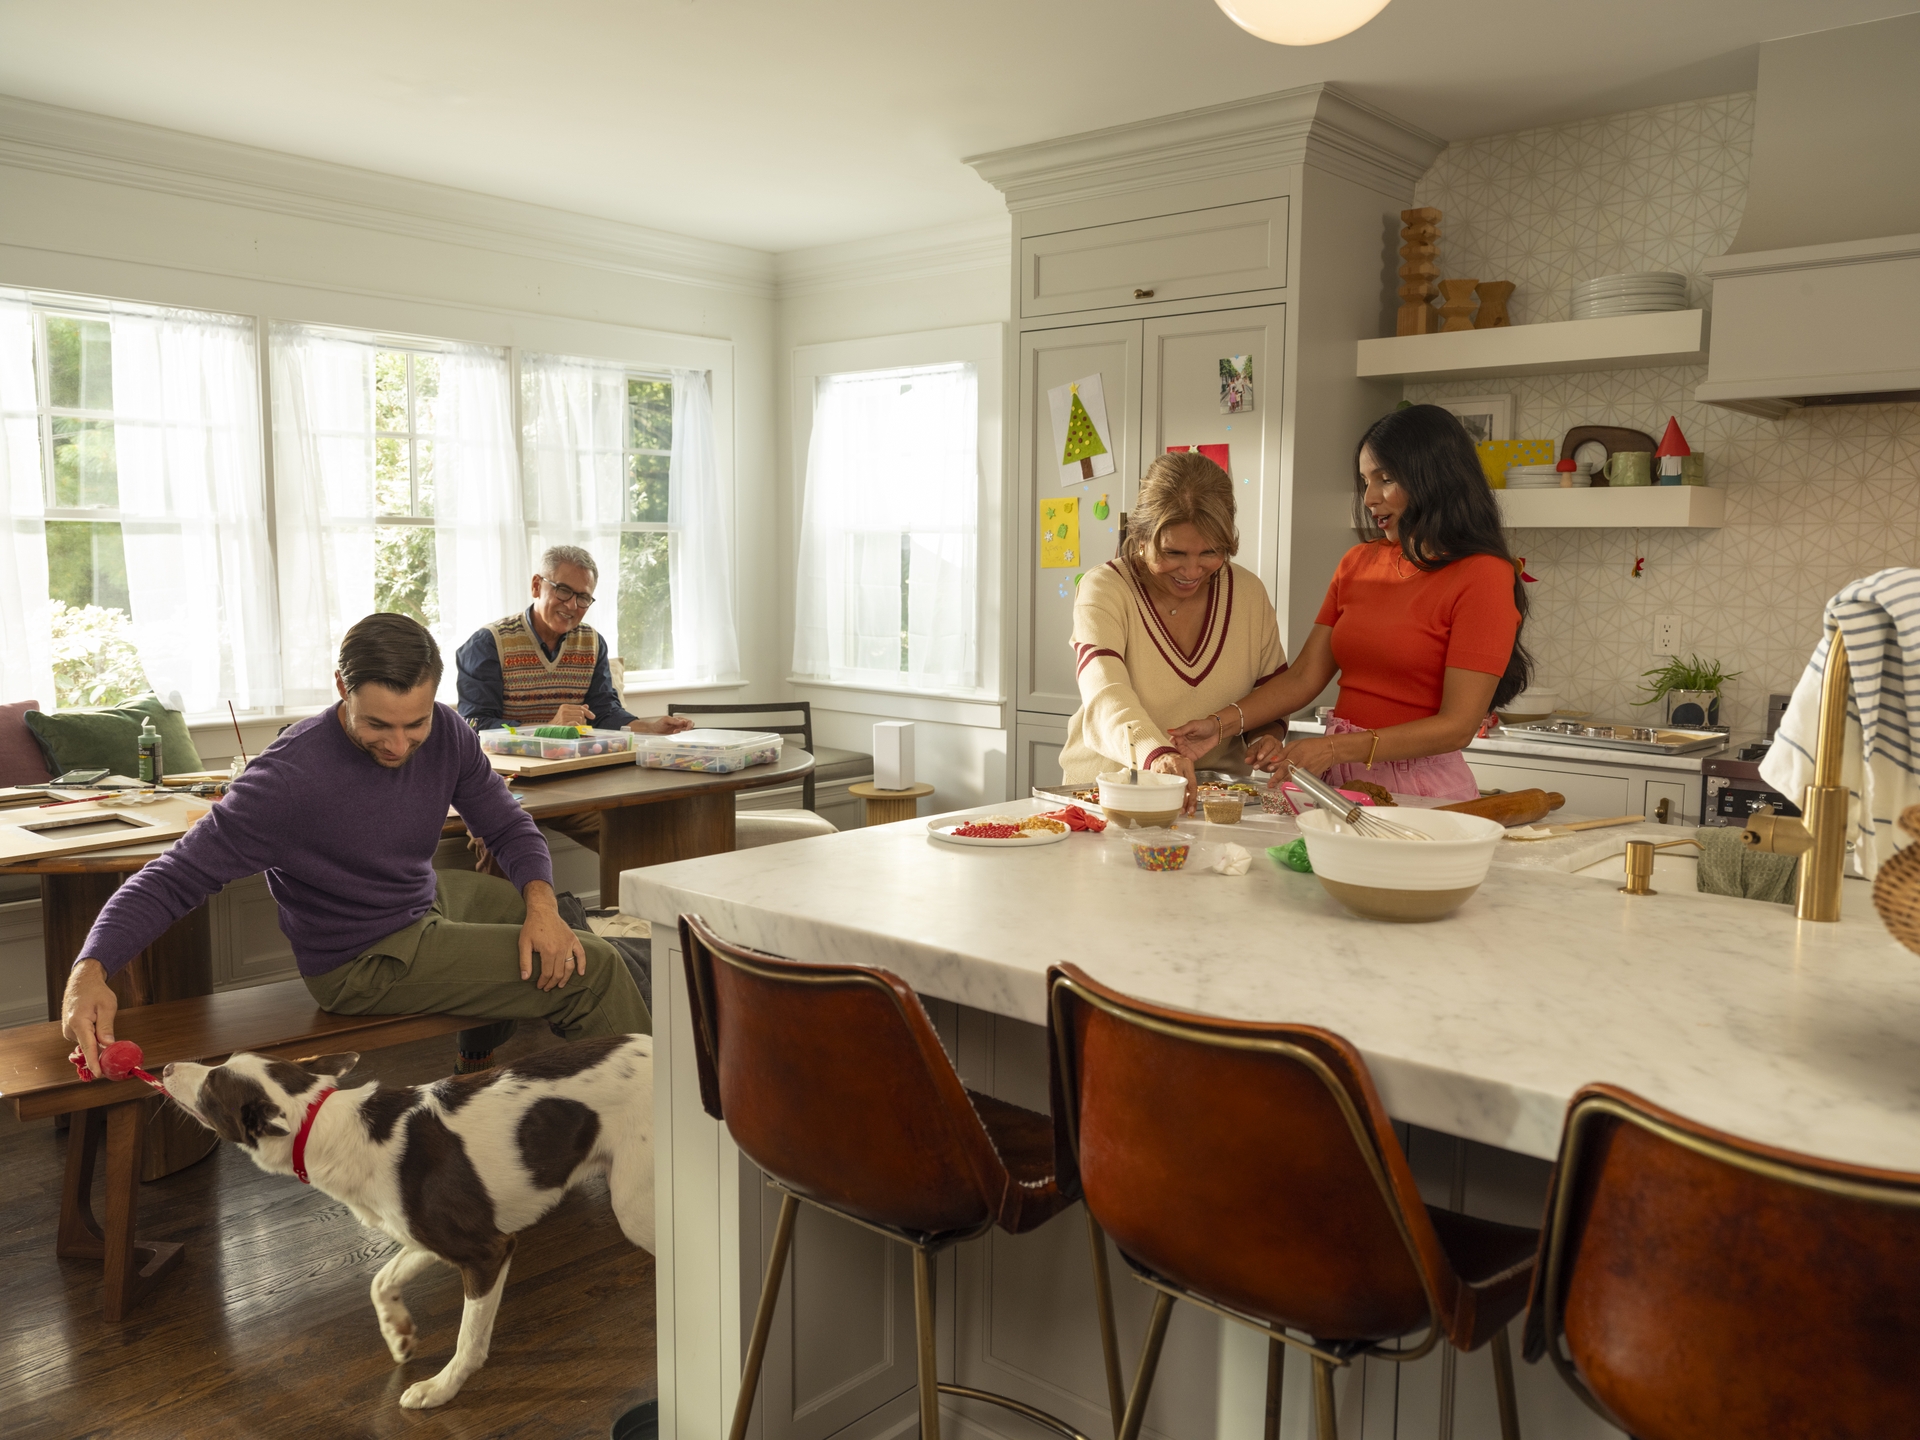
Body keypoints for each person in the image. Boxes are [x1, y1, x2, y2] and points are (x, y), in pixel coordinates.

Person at [61, 613, 651, 1081]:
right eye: (378, 725)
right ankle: (660, 1135)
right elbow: (171, 878)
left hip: (420, 905)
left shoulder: (446, 731)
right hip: (361, 960)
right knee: (590, 969)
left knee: (551, 915)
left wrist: (542, 907)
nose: (399, 745)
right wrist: (89, 970)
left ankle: (474, 1073)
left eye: (413, 723)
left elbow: (507, 825)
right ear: (342, 688)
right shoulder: (286, 780)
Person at [1168, 404, 1529, 803]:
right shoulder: (1358, 563)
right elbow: (1304, 677)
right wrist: (1219, 725)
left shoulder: (1484, 575)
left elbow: (1458, 726)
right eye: (1365, 480)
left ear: (1435, 478)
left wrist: (1336, 747)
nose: (1369, 496)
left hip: (1420, 787)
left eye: (1386, 479)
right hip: (1336, 779)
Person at [1059, 452, 1289, 806]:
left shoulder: (1247, 592)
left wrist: (1267, 736)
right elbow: (1105, 692)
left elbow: (1271, 692)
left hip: (1215, 800)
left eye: (1210, 552)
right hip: (1108, 793)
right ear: (1141, 536)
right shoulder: (1104, 588)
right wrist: (1157, 755)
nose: (1192, 571)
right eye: (1174, 553)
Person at [456, 545, 692, 863]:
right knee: (503, 843)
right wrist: (546, 730)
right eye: (564, 591)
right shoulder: (488, 644)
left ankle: (625, 912)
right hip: (505, 788)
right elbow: (476, 728)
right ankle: (511, 914)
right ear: (537, 586)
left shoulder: (592, 643)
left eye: (583, 598)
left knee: (637, 833)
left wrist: (649, 727)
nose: (572, 605)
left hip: (574, 783)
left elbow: (604, 710)